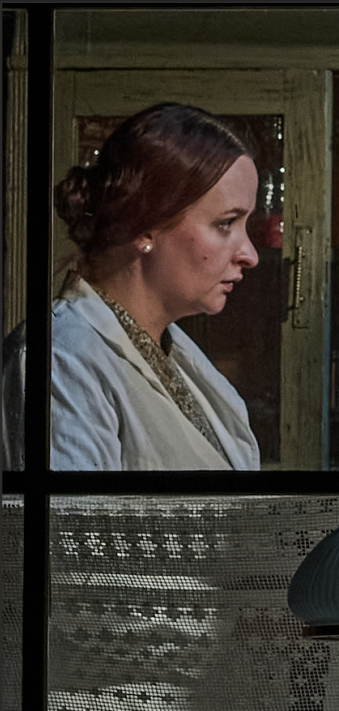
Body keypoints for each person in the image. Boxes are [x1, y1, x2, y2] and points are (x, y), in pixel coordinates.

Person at [2, 102, 262, 470]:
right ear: (146, 227)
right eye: (225, 223)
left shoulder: (169, 351)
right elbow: (70, 509)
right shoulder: (60, 362)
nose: (250, 255)